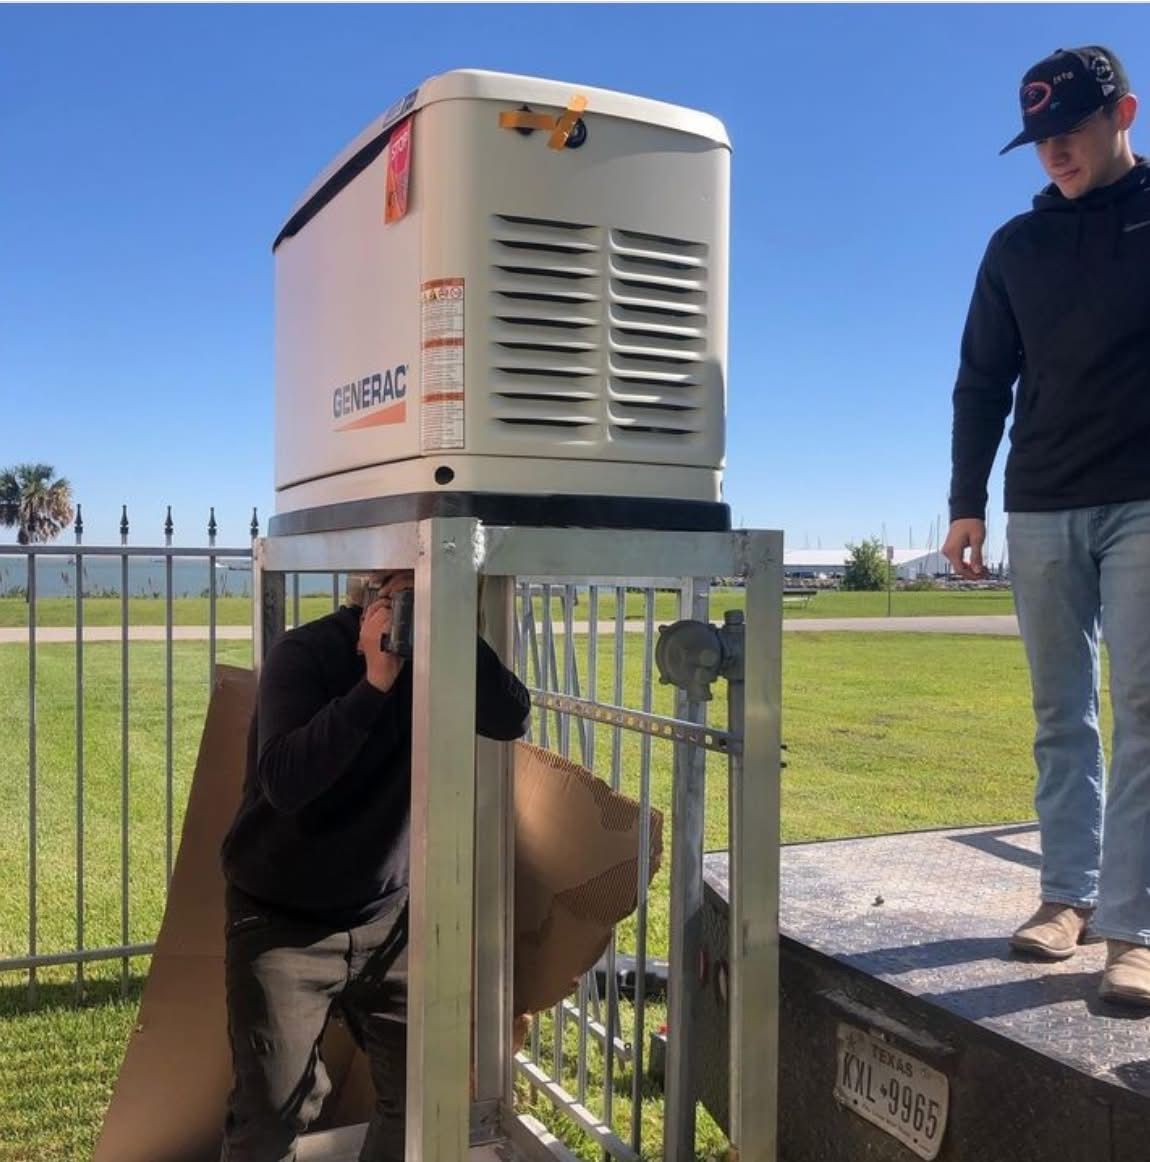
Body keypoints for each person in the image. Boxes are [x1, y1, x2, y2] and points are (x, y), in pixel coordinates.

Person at [943, 45, 1150, 1007]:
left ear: (1125, 114)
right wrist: (964, 504)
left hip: (1145, 502)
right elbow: (982, 381)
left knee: (1143, 710)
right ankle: (1063, 899)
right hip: (1040, 505)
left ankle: (1132, 928)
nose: (1054, 153)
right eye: (1039, 140)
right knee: (1059, 715)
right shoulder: (1013, 249)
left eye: (1069, 131)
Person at [218, 569, 531, 1160]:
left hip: (385, 917)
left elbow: (511, 716)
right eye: (407, 589)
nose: (422, 604)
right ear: (372, 589)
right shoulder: (305, 654)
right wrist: (374, 682)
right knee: (273, 1116)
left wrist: (458, 638)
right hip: (283, 921)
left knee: (422, 1097)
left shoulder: (441, 659)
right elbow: (285, 782)